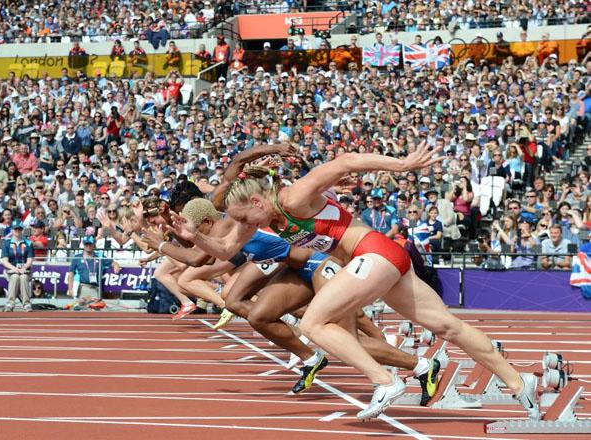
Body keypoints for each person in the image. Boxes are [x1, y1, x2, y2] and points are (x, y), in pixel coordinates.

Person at [172, 143, 540, 420]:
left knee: (315, 322)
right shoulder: (257, 215)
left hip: (373, 253)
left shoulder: (293, 196)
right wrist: (194, 237)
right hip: (381, 261)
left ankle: (385, 382)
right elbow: (223, 248)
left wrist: (403, 165)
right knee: (447, 325)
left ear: (256, 200)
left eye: (247, 219)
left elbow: (345, 161)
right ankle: (521, 385)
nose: (249, 227)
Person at [1, 219, 34, 312]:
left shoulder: (28, 243)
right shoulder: (6, 243)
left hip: (25, 270)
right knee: (15, 277)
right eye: (15, 229)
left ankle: (27, 304)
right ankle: (10, 303)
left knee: (23, 278)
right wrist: (14, 268)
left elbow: (30, 260)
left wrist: (24, 268)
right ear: (12, 230)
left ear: (22, 230)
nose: (17, 231)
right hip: (11, 270)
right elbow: (4, 261)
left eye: (19, 229)